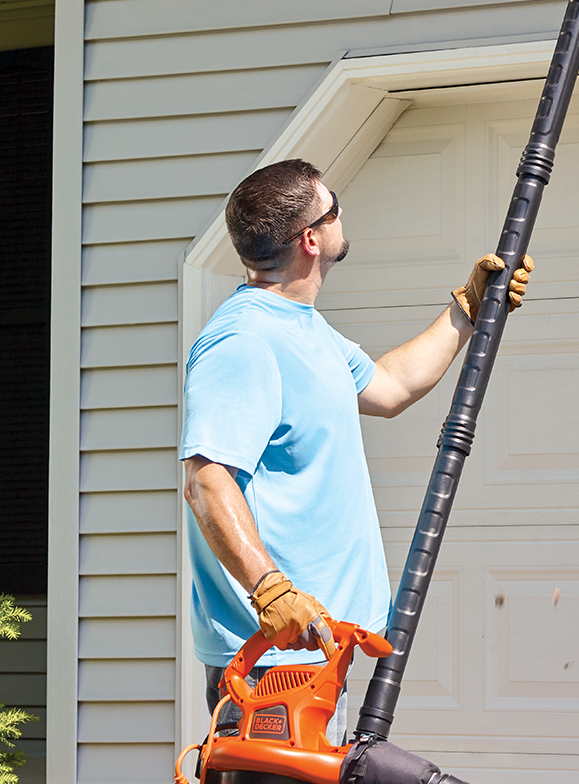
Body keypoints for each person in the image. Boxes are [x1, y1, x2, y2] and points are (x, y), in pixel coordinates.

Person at [179, 158, 532, 742]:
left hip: (316, 649)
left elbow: (390, 387)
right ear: (311, 239)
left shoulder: (302, 328)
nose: (343, 212)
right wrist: (271, 590)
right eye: (334, 205)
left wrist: (466, 310)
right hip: (270, 658)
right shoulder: (243, 341)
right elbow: (206, 481)